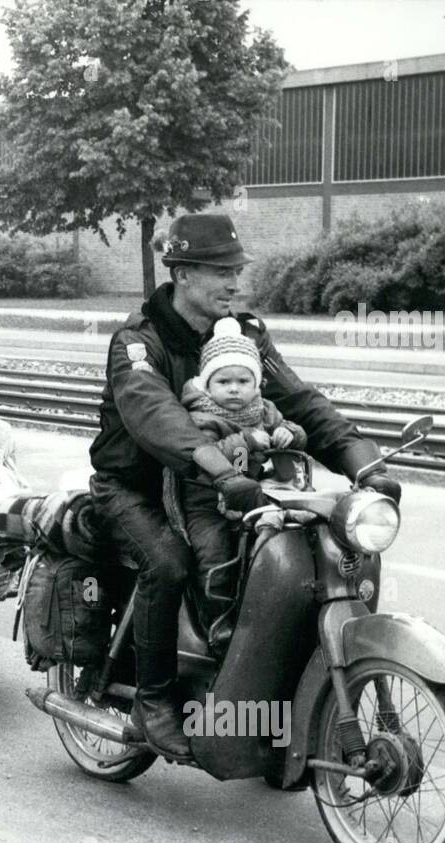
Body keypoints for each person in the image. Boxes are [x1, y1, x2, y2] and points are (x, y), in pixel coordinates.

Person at [89, 212, 401, 758]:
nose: (233, 282)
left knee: (287, 556)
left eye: (236, 270)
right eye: (219, 271)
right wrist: (219, 469)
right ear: (182, 273)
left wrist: (363, 463)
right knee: (168, 562)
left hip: (229, 487)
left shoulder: (244, 337)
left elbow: (299, 400)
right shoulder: (139, 342)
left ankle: (260, 692)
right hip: (136, 487)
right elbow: (158, 418)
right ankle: (155, 700)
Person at [172, 317, 306, 650]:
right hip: (207, 501)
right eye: (224, 381)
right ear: (207, 385)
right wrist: (245, 441)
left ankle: (269, 614)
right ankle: (216, 621)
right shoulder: (202, 416)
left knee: (279, 548)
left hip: (251, 495)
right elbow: (205, 453)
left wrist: (290, 434)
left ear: (257, 384)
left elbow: (298, 433)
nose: (235, 389)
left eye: (244, 380)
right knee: (215, 557)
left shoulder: (263, 409)